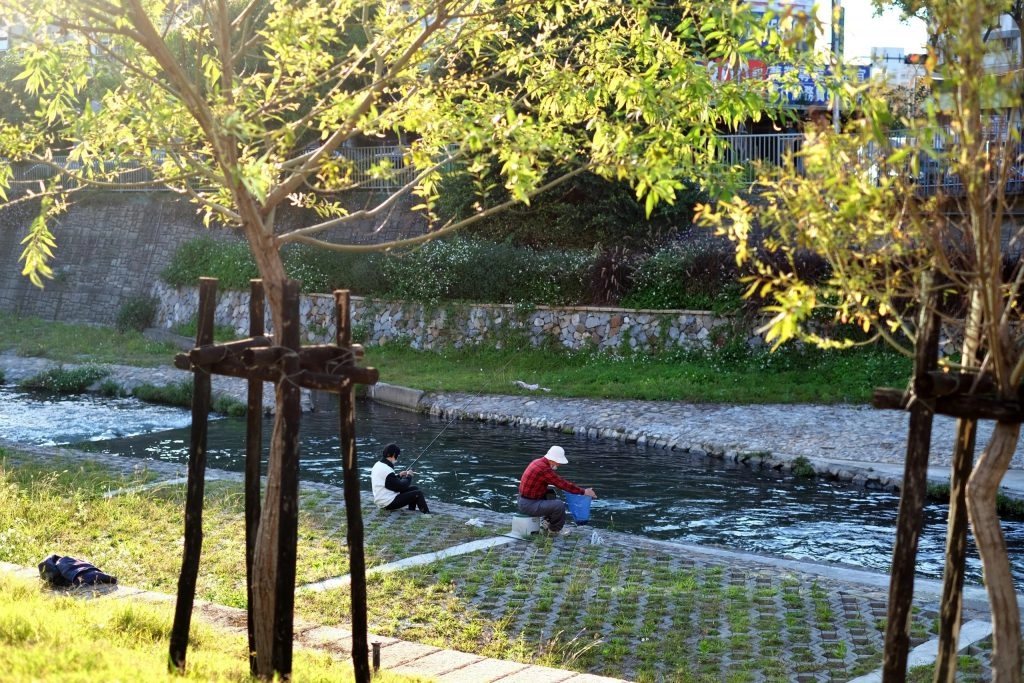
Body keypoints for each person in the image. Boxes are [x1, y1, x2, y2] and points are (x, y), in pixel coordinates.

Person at [517, 445, 596, 535]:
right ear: (553, 460)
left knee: (550, 493)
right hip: (528, 505)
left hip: (523, 500)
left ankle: (546, 522)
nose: (559, 465)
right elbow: (562, 484)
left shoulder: (537, 462)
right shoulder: (544, 469)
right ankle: (554, 530)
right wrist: (584, 492)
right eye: (559, 462)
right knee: (559, 505)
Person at [371, 443, 431, 514]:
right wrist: (409, 476)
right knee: (418, 494)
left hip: (382, 498)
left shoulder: (378, 464)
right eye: (397, 455)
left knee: (414, 488)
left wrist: (399, 475)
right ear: (393, 455)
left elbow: (387, 482)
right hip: (387, 502)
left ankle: (411, 511)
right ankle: (427, 515)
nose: (397, 457)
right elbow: (401, 487)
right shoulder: (386, 470)